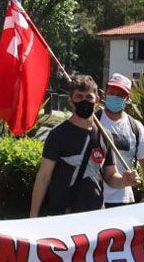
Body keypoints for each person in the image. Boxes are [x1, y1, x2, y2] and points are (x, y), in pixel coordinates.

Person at [29, 74, 138, 217]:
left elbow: (110, 175)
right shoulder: (58, 134)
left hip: (94, 216)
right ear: (70, 100)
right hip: (61, 215)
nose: (84, 101)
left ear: (97, 100)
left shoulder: (105, 136)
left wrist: (124, 180)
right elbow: (43, 177)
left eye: (89, 97)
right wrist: (33, 216)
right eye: (79, 97)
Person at [98, 73, 144, 207]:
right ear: (105, 92)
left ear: (127, 99)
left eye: (120, 95)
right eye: (112, 92)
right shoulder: (93, 121)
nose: (115, 97)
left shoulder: (135, 126)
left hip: (123, 200)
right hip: (95, 197)